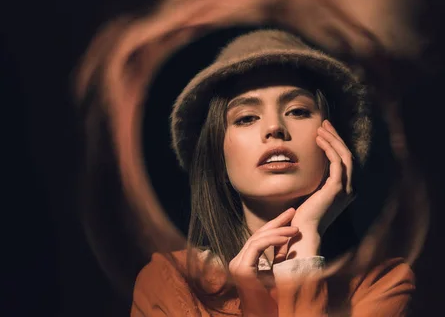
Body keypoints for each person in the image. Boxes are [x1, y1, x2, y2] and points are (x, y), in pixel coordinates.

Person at [131, 29, 415, 317]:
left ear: (333, 142)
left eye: (298, 111)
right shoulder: (170, 282)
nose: (274, 128)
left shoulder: (380, 282)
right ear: (218, 155)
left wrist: (303, 251)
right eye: (246, 118)